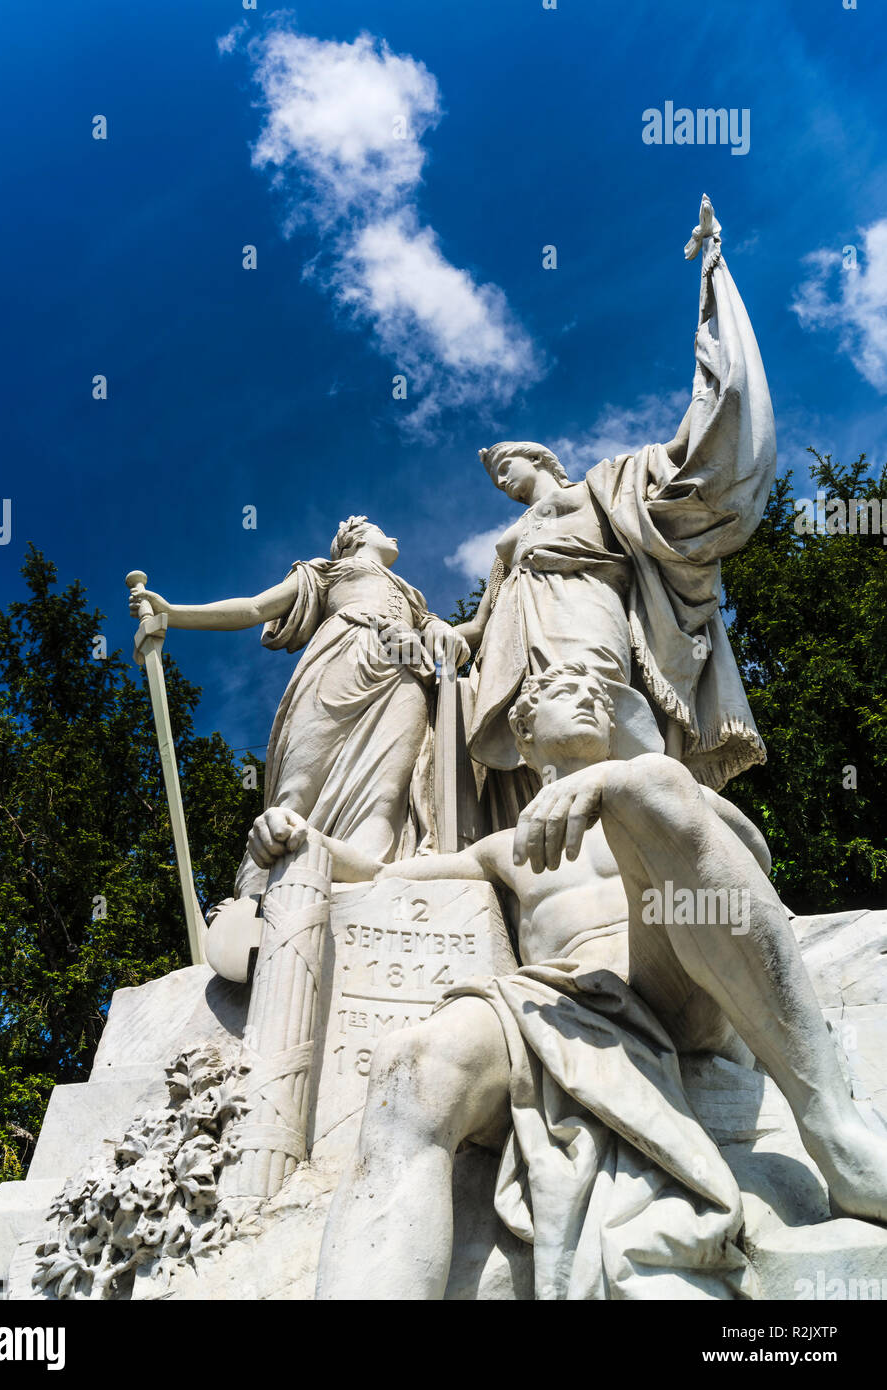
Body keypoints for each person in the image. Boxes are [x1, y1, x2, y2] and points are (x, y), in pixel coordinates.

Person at [248, 662, 887, 1300]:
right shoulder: (501, 847)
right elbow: (387, 876)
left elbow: (746, 865)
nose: (586, 698)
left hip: (678, 978)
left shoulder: (661, 789)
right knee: (410, 1064)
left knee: (655, 781)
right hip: (559, 1001)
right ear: (524, 736)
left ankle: (831, 1123)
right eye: (561, 691)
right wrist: (308, 841)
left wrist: (615, 785)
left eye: (597, 697)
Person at [454, 199, 776, 826]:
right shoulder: (507, 544)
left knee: (592, 702)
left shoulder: (603, 486)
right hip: (517, 633)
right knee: (537, 732)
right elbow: (480, 623)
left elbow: (683, 468)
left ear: (538, 459)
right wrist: (439, 637)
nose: (502, 482)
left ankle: (631, 840)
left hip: (586, 602)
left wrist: (711, 304)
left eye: (505, 469)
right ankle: (555, 858)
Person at [130, 516, 469, 886]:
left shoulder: (413, 598)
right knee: (301, 779)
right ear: (353, 539)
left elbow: (445, 634)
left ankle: (367, 885)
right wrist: (172, 613)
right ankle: (261, 891)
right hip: (344, 656)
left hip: (405, 672)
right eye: (378, 528)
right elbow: (256, 609)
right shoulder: (325, 571)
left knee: (387, 791)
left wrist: (441, 631)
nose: (394, 534)